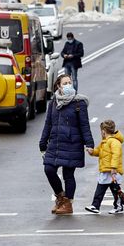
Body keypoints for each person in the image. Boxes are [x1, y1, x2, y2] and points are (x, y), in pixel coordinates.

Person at [39, 73, 94, 215]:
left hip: (72, 143)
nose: (68, 85)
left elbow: (84, 125)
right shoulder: (53, 102)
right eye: (65, 83)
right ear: (58, 86)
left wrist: (89, 144)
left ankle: (68, 204)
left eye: (70, 82)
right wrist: (43, 141)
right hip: (55, 143)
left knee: (68, 175)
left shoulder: (79, 103)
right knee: (49, 169)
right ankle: (60, 197)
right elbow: (48, 123)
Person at [84, 119, 124, 215]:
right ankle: (97, 205)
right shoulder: (104, 142)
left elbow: (116, 155)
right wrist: (92, 152)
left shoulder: (114, 142)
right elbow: (99, 151)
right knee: (106, 188)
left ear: (103, 131)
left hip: (112, 170)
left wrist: (114, 168)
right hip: (106, 170)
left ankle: (116, 206)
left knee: (112, 189)